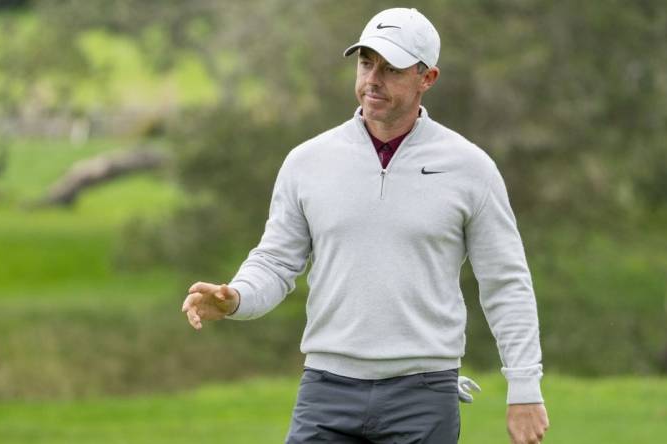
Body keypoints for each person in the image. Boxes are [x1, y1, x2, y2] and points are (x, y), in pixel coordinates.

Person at [181, 7, 549, 444]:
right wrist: (236, 297)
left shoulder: (470, 168)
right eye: (366, 63)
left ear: (427, 78)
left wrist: (524, 388)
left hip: (423, 394)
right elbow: (277, 262)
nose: (373, 79)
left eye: (391, 69)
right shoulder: (307, 162)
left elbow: (506, 283)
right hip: (326, 389)